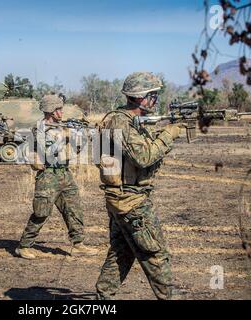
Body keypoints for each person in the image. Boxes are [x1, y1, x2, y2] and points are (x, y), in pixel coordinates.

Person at [95, 72, 181, 300]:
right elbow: (144, 157)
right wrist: (169, 136)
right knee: (155, 256)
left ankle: (103, 299)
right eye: (153, 95)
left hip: (121, 199)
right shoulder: (121, 122)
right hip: (132, 202)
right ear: (141, 97)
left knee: (120, 254)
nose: (155, 100)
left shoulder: (120, 120)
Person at [15, 94, 98, 260]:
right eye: (58, 109)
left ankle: (78, 244)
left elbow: (74, 151)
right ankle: (24, 245)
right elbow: (52, 153)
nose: (61, 112)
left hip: (64, 174)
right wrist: (71, 137)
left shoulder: (61, 128)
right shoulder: (41, 129)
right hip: (48, 176)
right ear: (50, 111)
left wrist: (82, 138)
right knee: (42, 212)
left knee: (74, 209)